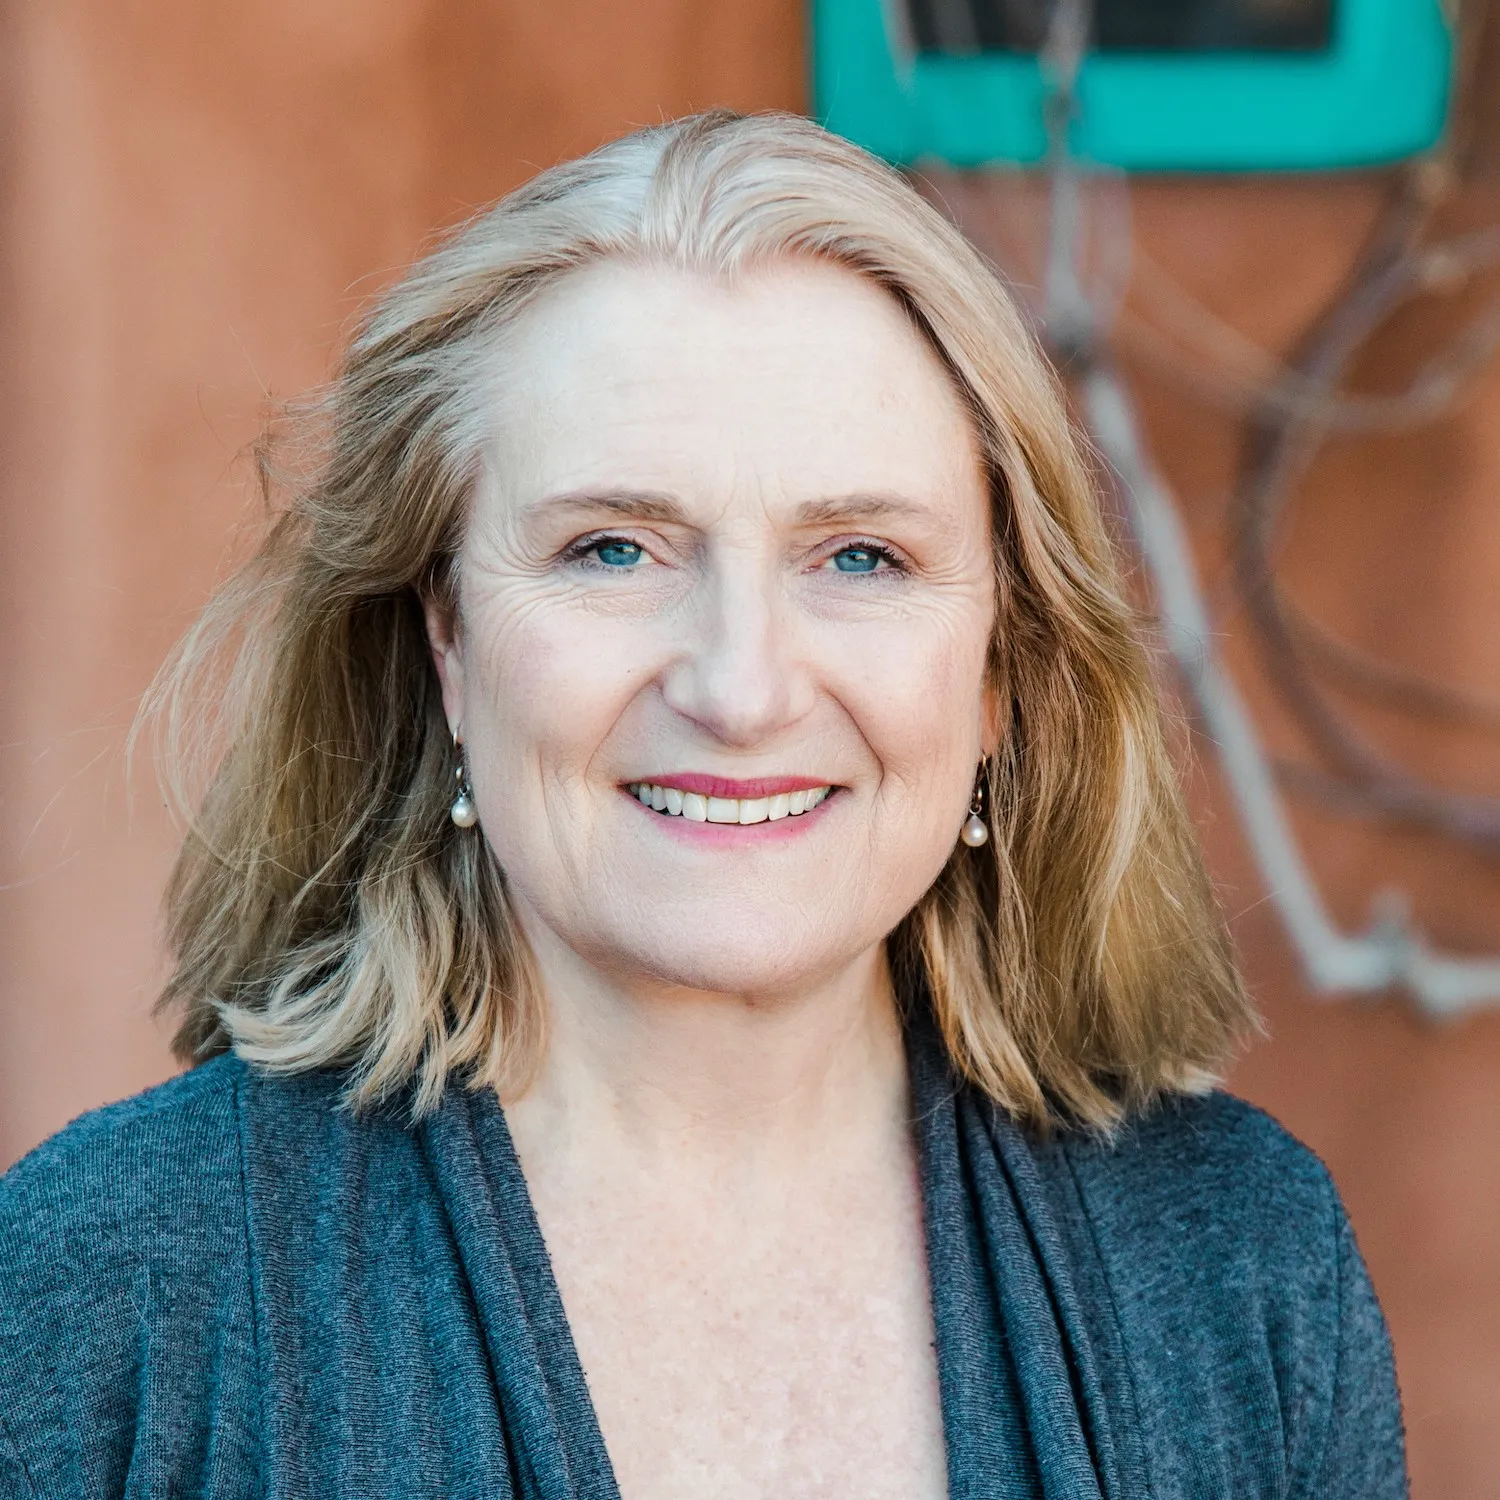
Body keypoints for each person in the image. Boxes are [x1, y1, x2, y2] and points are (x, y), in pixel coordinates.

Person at [0, 110, 1404, 1499]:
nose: (741, 689)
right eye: (614, 548)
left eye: (860, 557)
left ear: (999, 671)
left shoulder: (1243, 1265)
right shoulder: (117, 1278)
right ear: (449, 641)